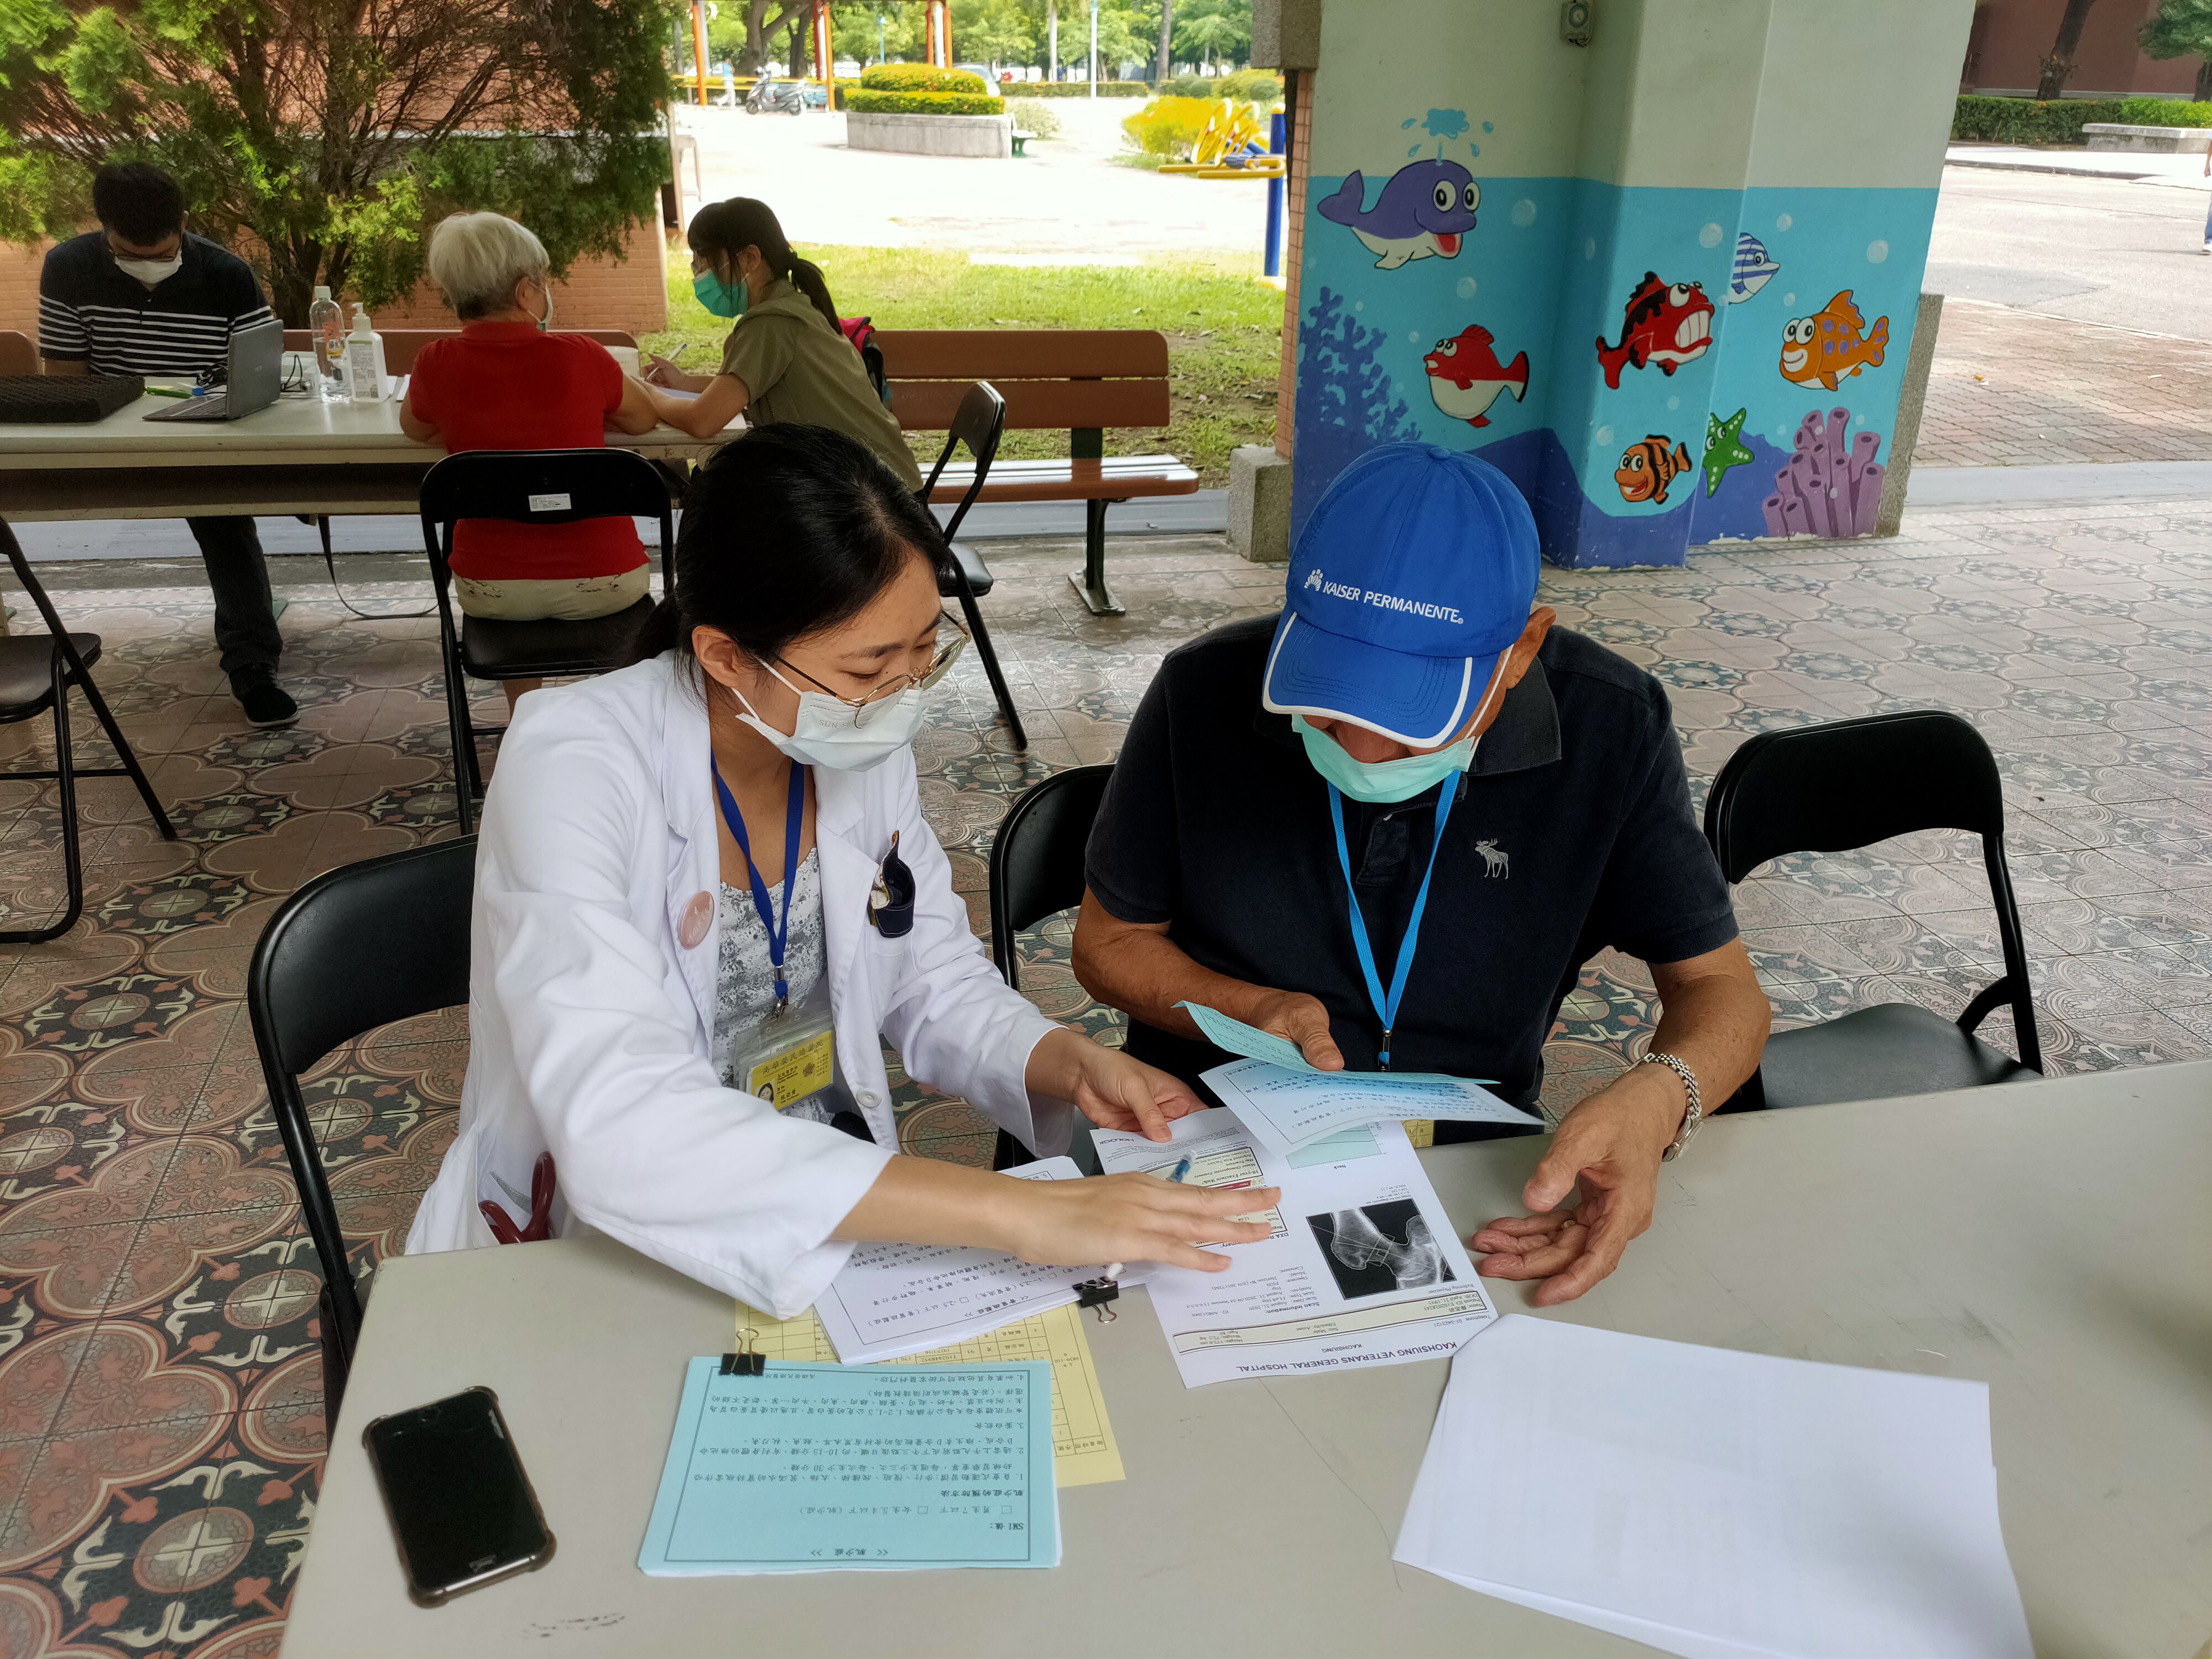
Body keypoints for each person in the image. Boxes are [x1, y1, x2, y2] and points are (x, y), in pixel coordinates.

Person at [405, 424, 1273, 1313]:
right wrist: (1021, 1213)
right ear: (725, 656)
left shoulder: (852, 744)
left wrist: (1064, 1061)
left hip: (832, 1200)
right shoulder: (575, 761)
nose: (902, 693)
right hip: (612, 1245)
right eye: (868, 666)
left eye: (924, 649)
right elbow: (625, 1121)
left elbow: (926, 970)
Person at [1070, 444, 1771, 1308]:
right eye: (1327, 708)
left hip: (1473, 1153)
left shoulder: (1611, 728)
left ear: (1521, 651)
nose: (1358, 753)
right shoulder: (1204, 692)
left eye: (1409, 729)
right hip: (1215, 1132)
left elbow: (1722, 991)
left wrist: (1663, 1096)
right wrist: (1246, 1008)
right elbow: (1108, 946)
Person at [38, 162, 295, 727]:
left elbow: (258, 373)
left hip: (204, 433)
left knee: (225, 521)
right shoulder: (67, 268)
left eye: (163, 252)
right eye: (134, 253)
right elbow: (67, 383)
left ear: (183, 221)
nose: (152, 263)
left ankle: (253, 666)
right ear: (102, 226)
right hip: (113, 435)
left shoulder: (227, 273)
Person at [400, 212, 664, 709]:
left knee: (515, 606)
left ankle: (525, 719)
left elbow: (414, 428)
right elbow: (642, 419)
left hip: (493, 590)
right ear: (526, 292)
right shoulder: (583, 355)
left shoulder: (436, 361)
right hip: (605, 582)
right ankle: (607, 722)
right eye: (543, 284)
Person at [643, 198, 922, 486]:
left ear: (751, 258)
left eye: (704, 261)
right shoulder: (791, 304)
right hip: (883, 487)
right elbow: (744, 387)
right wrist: (684, 383)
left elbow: (703, 421)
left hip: (877, 505)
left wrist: (647, 396)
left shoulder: (771, 322)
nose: (699, 274)